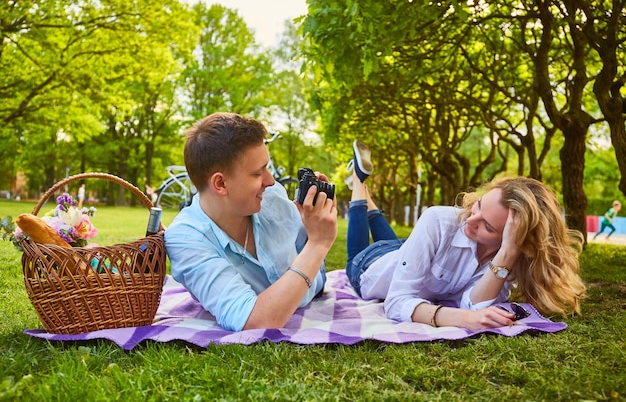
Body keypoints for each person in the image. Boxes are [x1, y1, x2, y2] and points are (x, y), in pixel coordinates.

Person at [345, 140, 586, 331]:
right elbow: (397, 302)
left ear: (513, 240)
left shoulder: (509, 255)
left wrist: (506, 255)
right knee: (358, 253)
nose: (470, 220)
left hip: (404, 252)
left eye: (488, 227)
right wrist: (463, 319)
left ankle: (362, 189)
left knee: (395, 247)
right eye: (479, 205)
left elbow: (473, 304)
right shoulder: (439, 220)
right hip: (367, 268)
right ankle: (358, 181)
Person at [164, 112, 338, 332]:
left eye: (267, 168)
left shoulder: (270, 194)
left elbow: (296, 228)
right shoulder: (186, 239)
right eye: (257, 173)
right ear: (220, 184)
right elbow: (255, 321)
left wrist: (314, 215)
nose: (270, 180)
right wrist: (318, 245)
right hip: (307, 269)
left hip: (315, 278)